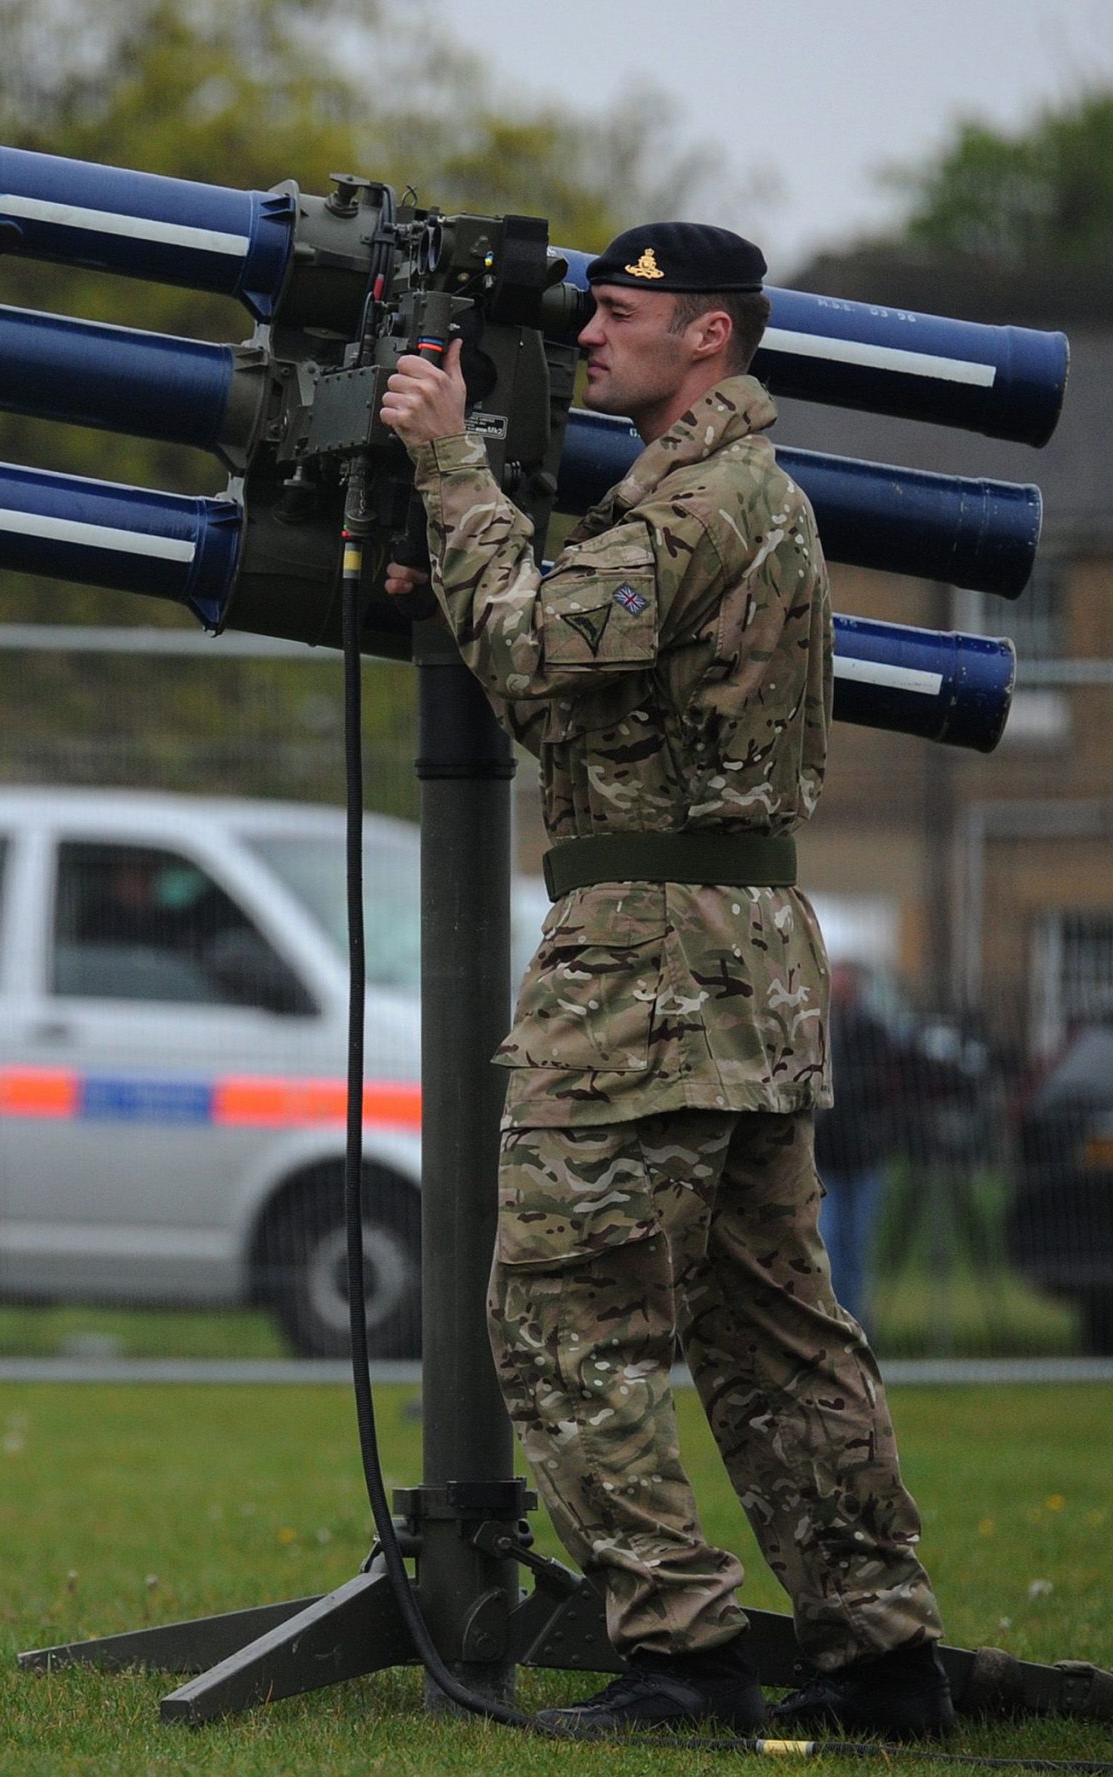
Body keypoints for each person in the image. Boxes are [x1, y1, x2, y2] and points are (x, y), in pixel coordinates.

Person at [377, 222, 951, 1740]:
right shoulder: (727, 496)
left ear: (709, 338)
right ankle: (884, 1660)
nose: (589, 336)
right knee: (773, 1334)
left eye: (620, 314)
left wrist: (447, 463)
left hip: (649, 967)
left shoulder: (701, 506)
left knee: (563, 1320)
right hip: (739, 966)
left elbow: (524, 645)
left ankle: (681, 1649)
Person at [816, 963, 900, 1330]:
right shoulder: (819, 1030)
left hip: (863, 1157)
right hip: (827, 1156)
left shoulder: (873, 1032)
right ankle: (832, 1318)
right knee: (829, 1242)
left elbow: (878, 1084)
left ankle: (852, 1319)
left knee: (856, 1245)